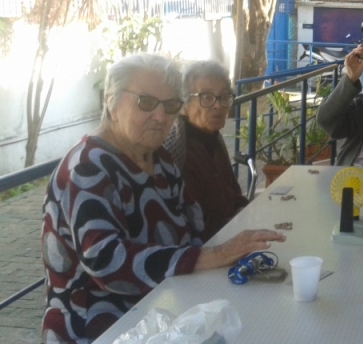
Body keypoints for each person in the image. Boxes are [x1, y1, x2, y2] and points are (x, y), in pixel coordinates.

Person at [41, 54, 285, 343]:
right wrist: (213, 256)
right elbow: (108, 263)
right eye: (145, 102)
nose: (161, 116)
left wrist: (226, 258)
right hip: (99, 328)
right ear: (110, 100)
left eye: (170, 105)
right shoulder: (86, 168)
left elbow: (191, 227)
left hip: (163, 314)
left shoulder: (161, 160)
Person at [163, 60, 248, 242]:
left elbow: (233, 194)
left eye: (224, 97)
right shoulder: (178, 152)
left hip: (232, 235)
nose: (218, 106)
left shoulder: (213, 138)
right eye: (206, 97)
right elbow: (195, 225)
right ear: (184, 105)